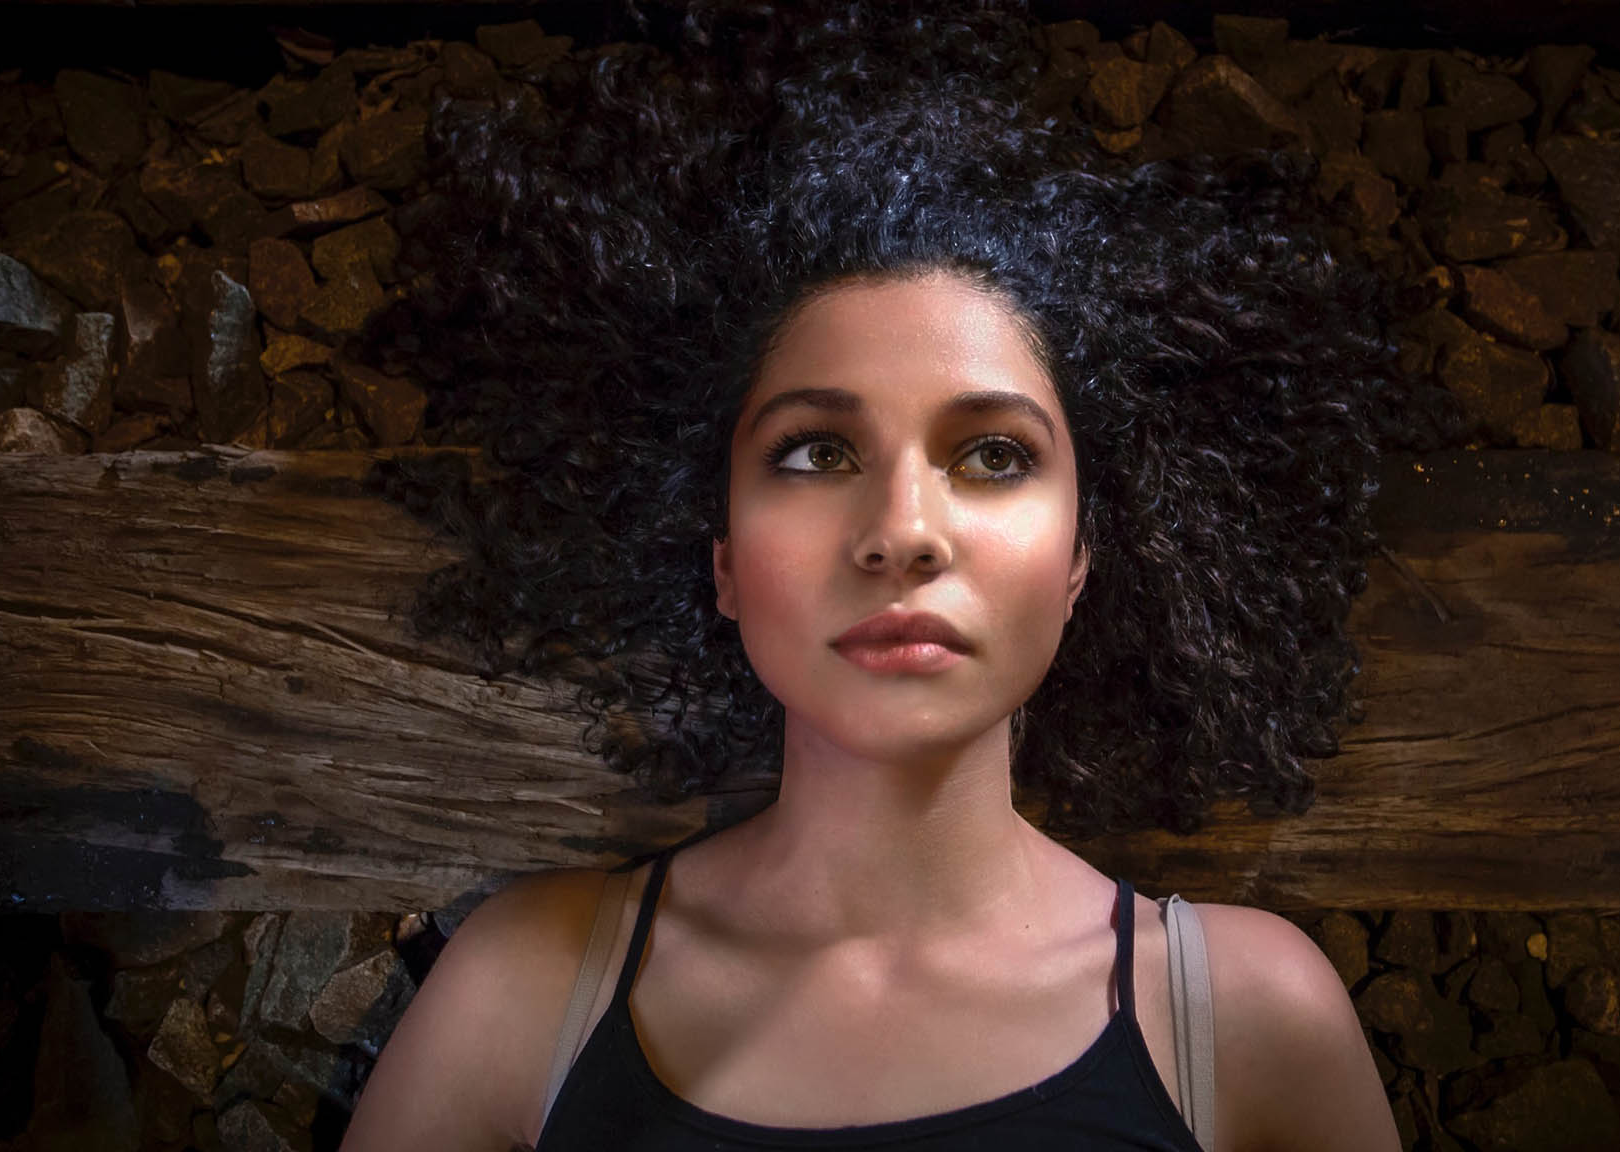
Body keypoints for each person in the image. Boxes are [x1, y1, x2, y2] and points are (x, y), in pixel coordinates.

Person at [342, 1, 1461, 1147]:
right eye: (816, 453)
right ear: (720, 557)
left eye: (991, 455)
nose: (900, 532)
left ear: (1082, 559)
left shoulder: (1247, 1019)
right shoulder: (522, 996)